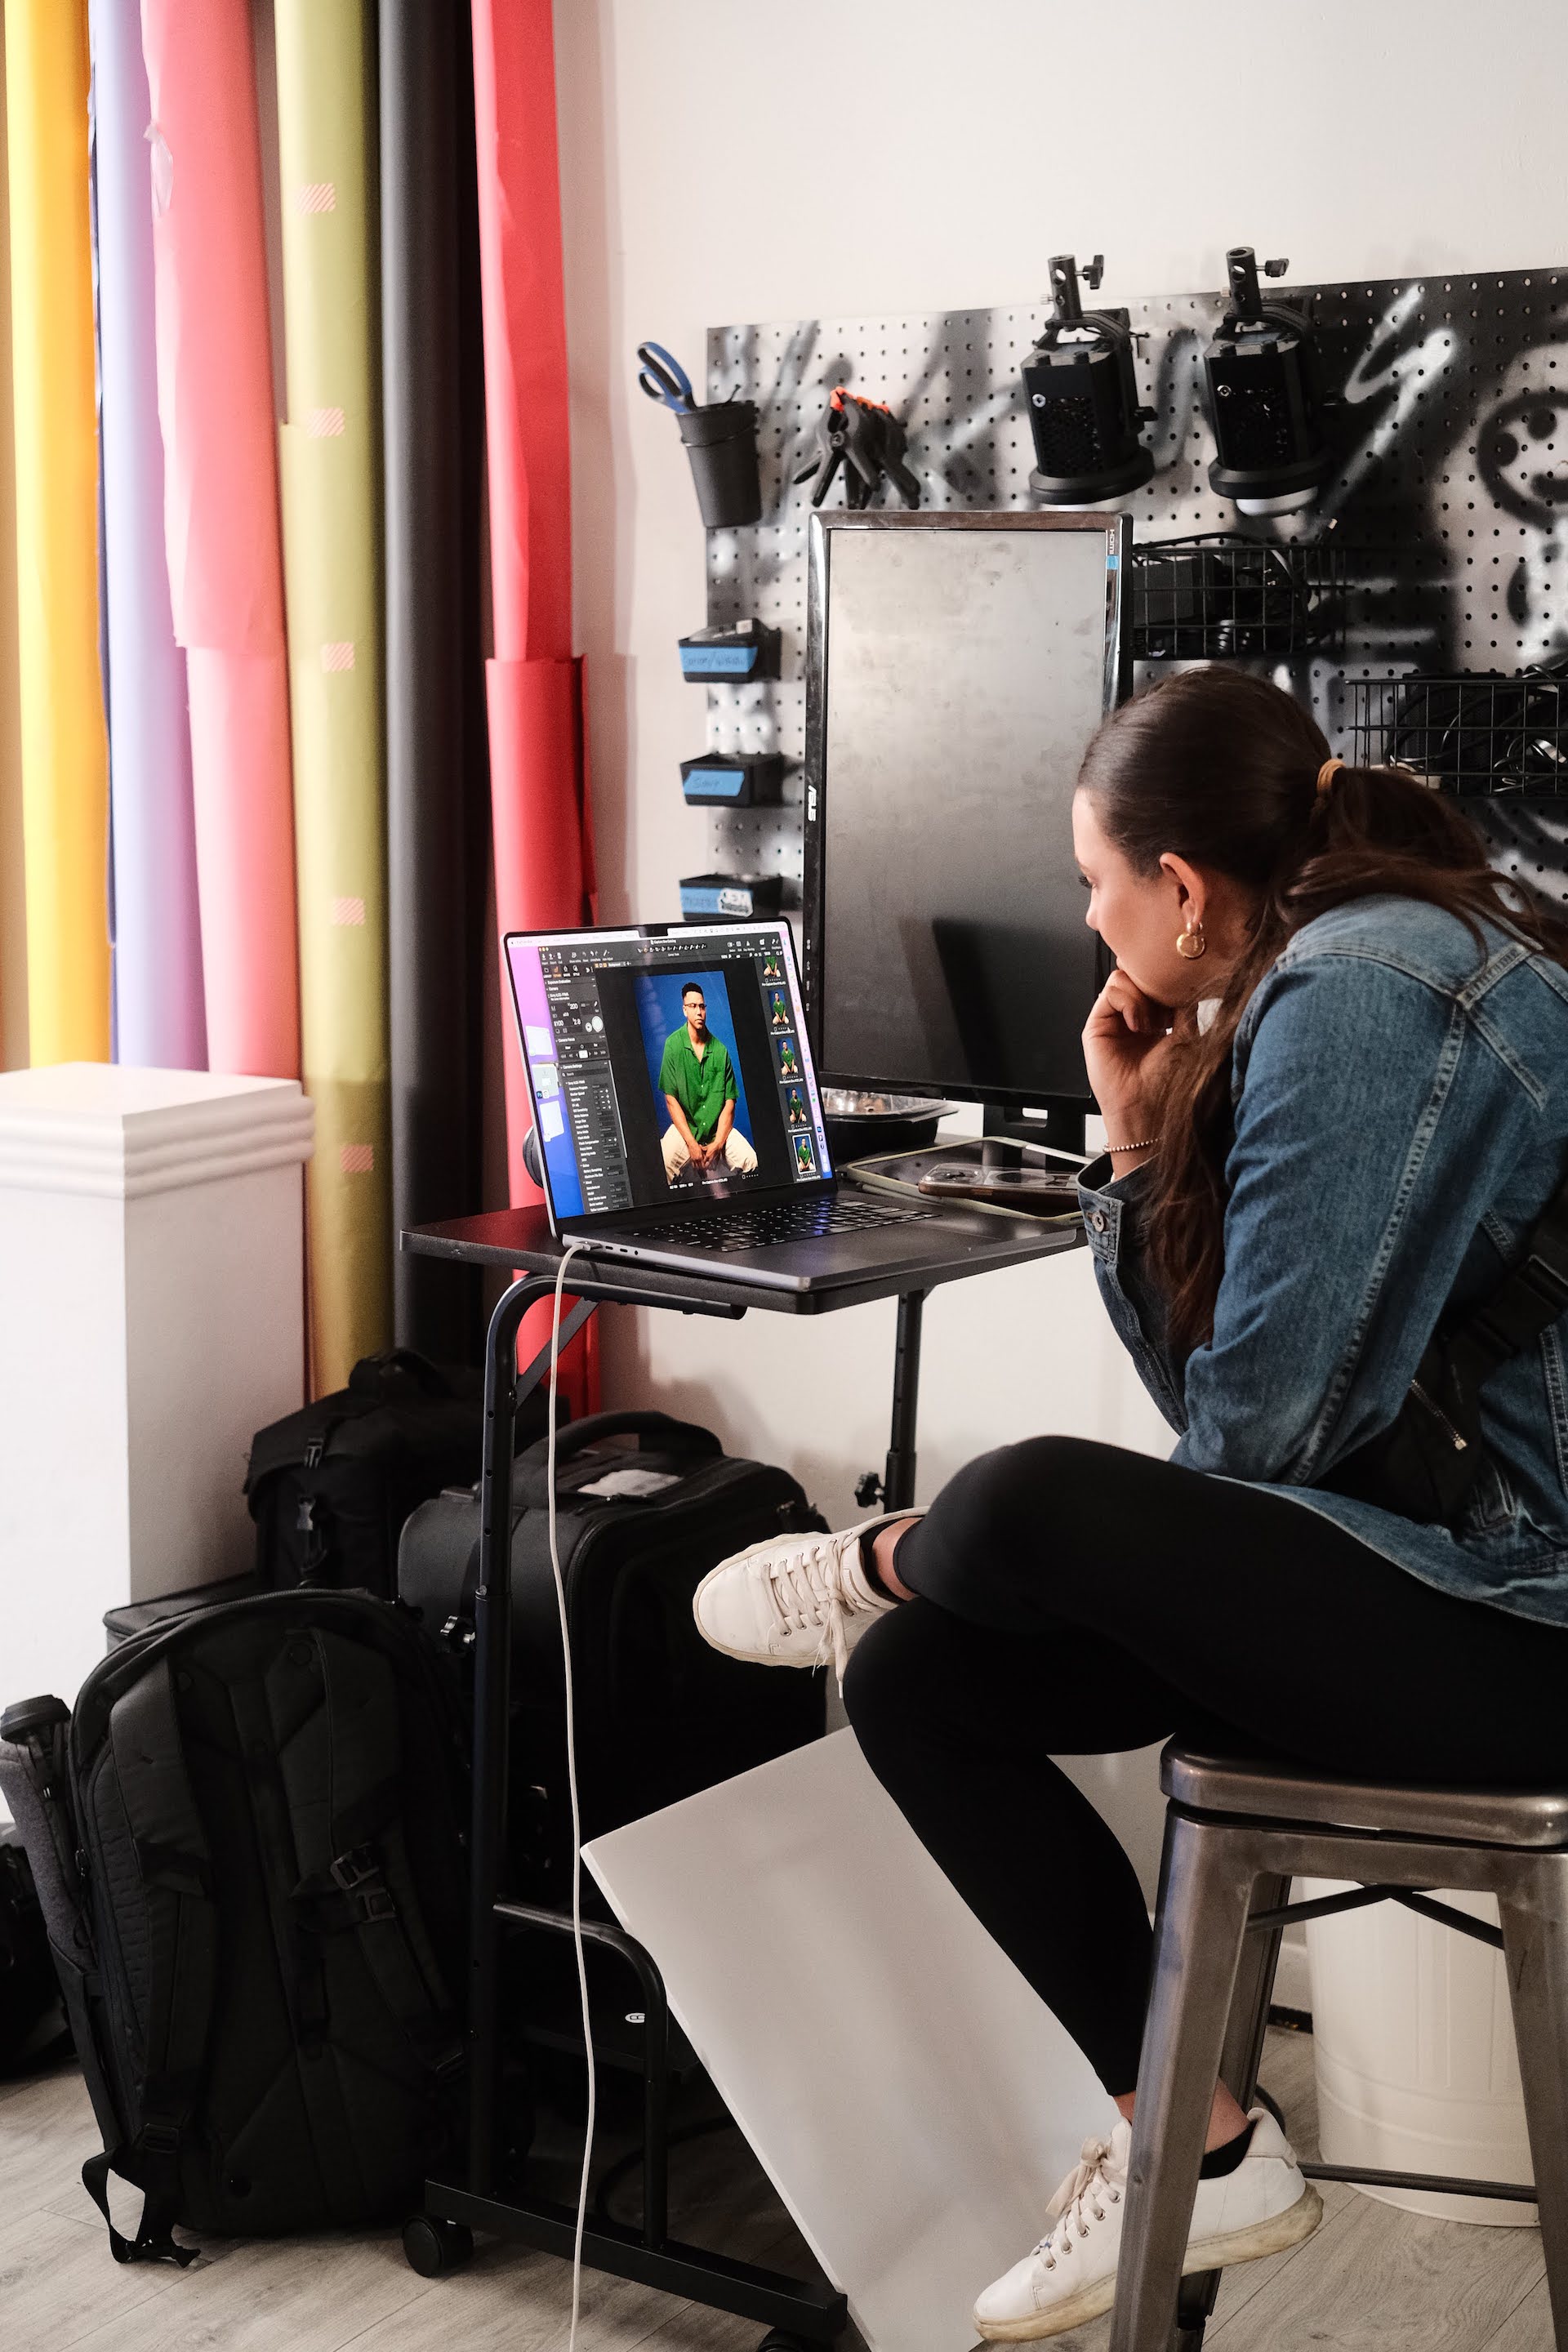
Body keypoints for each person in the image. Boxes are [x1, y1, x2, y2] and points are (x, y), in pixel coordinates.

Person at [691, 666, 1568, 2341]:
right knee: (918, 1684)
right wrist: (1138, 1149)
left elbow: (1256, 1438)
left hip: (1530, 1616)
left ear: (1181, 886)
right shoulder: (1351, 962)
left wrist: (1149, 1176)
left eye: (1098, 882)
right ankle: (1198, 2136)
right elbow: (1257, 1438)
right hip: (1447, 1574)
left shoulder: (1369, 984)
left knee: (1019, 1509)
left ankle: (879, 1559)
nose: (1090, 920)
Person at [658, 980, 759, 1183]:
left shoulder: (720, 1051)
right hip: (685, 1129)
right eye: (693, 1007)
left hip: (717, 1131)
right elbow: (671, 1099)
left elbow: (730, 1103)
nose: (699, 1012)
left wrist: (719, 1142)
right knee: (662, 1163)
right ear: (684, 1010)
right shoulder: (673, 1045)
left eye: (702, 1006)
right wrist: (691, 1143)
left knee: (752, 1161)